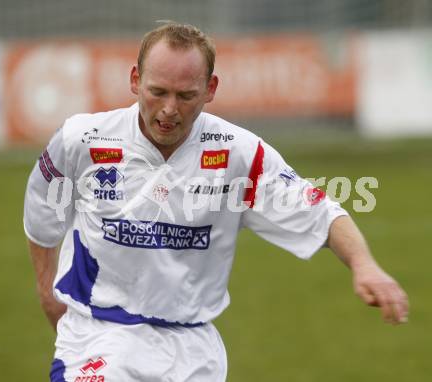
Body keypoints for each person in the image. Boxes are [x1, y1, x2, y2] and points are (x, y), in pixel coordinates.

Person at [24, 22, 409, 382]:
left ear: (210, 89)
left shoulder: (238, 154)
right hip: (99, 335)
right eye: (158, 91)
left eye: (186, 95)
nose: (169, 109)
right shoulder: (83, 139)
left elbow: (319, 211)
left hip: (193, 351)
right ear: (135, 80)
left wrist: (365, 264)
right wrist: (46, 291)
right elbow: (42, 203)